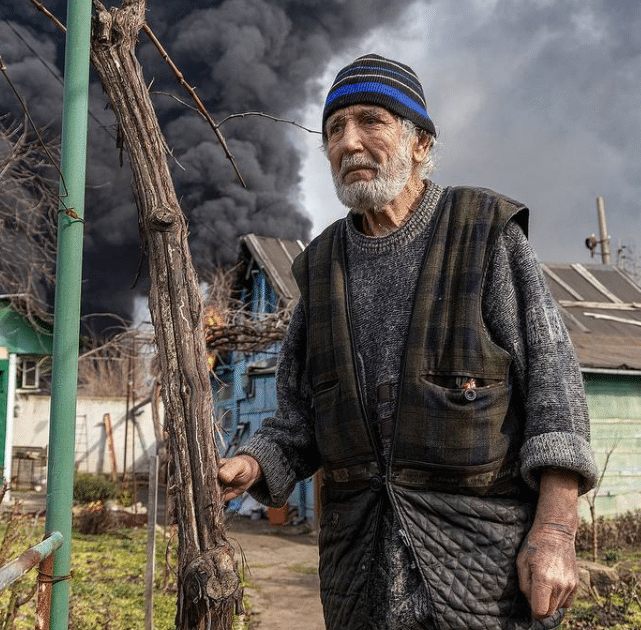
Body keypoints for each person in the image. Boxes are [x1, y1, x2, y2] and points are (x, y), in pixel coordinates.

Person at [217, 53, 598, 630]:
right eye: (334, 131)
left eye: (371, 120)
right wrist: (251, 463)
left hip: (481, 563)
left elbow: (555, 395)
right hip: (358, 571)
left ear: (420, 143)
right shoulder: (320, 269)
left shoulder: (483, 233)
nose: (349, 143)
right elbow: (297, 420)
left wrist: (554, 531)